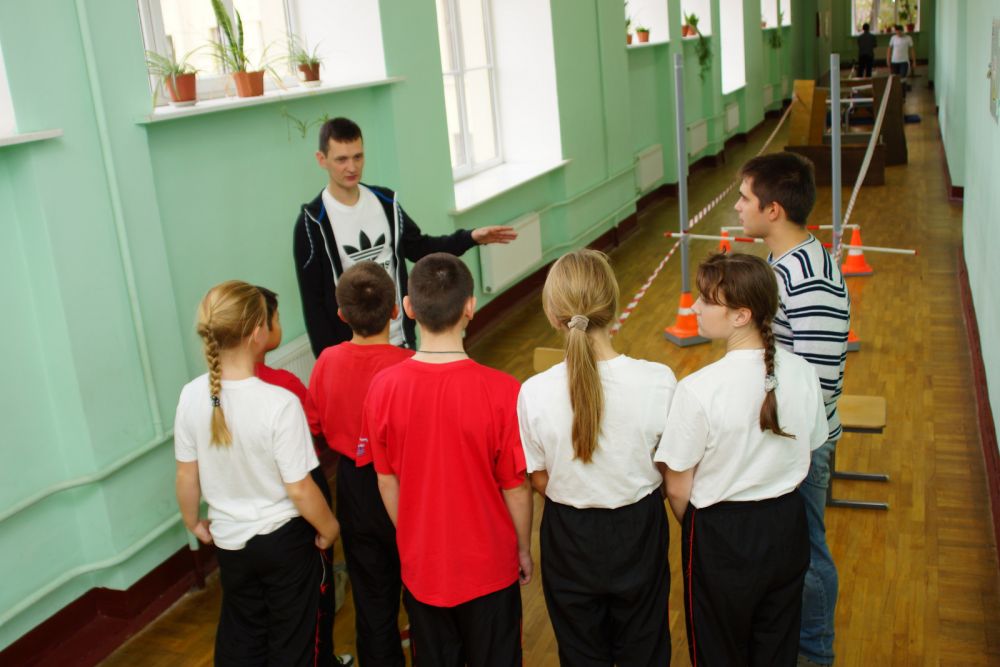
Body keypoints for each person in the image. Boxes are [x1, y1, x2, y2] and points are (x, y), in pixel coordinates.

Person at [656, 252, 830, 666]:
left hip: (721, 534)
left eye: (706, 300)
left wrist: (704, 529)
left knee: (718, 650)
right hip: (787, 525)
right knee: (777, 645)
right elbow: (811, 446)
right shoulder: (804, 372)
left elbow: (677, 487)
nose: (694, 307)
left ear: (741, 315)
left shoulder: (698, 389)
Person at [360, 253, 533, 666]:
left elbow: (386, 480)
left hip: (423, 571)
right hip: (490, 571)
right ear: (470, 307)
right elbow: (516, 487)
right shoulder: (503, 390)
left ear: (408, 308)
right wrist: (523, 549)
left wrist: (415, 536)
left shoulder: (383, 388)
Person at [517, 249, 675, 666]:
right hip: (638, 529)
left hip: (568, 536)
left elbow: (537, 476)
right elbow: (667, 465)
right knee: (645, 648)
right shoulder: (659, 381)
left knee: (580, 652)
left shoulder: (533, 392)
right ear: (614, 307)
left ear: (553, 316)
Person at [173, 280, 340, 667]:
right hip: (285, 544)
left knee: (243, 634)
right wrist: (329, 527)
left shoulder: (191, 395)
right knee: (294, 640)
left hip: (230, 542)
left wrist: (192, 522)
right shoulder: (280, 403)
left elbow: (186, 475)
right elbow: (299, 488)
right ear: (256, 333)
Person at [736, 152, 851, 667]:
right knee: (789, 553)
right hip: (788, 441)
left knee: (807, 555)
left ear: (773, 210)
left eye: (745, 198)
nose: (738, 207)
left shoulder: (807, 278)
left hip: (801, 446)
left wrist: (778, 442)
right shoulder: (787, 263)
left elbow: (817, 384)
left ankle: (814, 654)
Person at [293, 117, 517, 357]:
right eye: (342, 159)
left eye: (358, 157)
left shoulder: (386, 203)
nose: (352, 167)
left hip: (399, 340)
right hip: (352, 351)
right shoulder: (312, 222)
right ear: (322, 159)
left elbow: (421, 248)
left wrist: (470, 237)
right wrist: (328, 359)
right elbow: (313, 305)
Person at [307, 262, 414, 666]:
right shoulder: (411, 364)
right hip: (406, 484)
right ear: (395, 310)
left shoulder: (326, 361)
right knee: (420, 589)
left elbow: (315, 426)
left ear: (341, 314)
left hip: (353, 487)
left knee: (371, 598)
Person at [253, 286, 353, 667]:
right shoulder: (284, 387)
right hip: (294, 519)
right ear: (261, 331)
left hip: (242, 534)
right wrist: (329, 526)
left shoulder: (208, 392)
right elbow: (315, 432)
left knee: (258, 614)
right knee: (311, 602)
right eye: (277, 318)